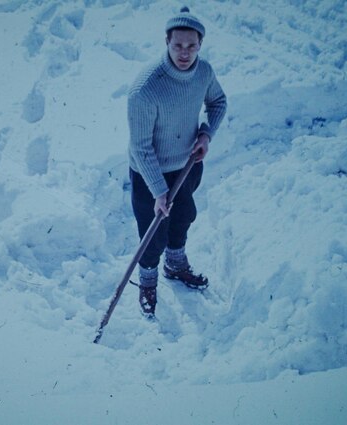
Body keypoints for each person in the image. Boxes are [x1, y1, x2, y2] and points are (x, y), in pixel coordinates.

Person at [127, 7, 227, 317]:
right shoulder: (146, 89)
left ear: (200, 45)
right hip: (150, 173)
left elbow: (218, 102)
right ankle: (147, 282)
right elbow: (140, 147)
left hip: (187, 165)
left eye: (191, 46)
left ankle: (175, 264)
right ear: (167, 42)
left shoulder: (204, 72)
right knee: (152, 232)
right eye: (178, 45)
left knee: (183, 215)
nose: (185, 53)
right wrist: (158, 191)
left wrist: (206, 134)